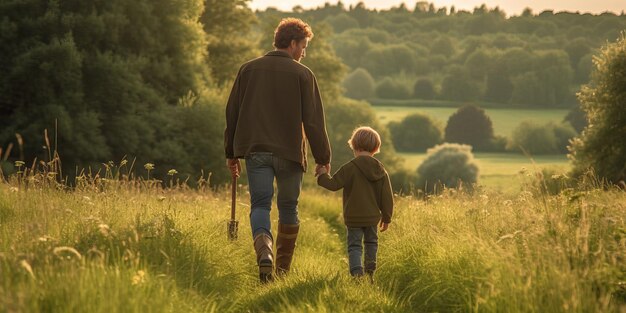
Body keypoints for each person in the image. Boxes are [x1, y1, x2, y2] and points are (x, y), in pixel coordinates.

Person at [224, 18, 331, 283]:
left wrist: (231, 153)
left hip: (256, 151)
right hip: (290, 154)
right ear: (292, 43)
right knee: (288, 207)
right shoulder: (303, 75)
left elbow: (232, 113)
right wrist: (323, 158)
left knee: (260, 204)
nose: (304, 53)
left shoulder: (247, 70)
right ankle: (282, 273)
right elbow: (314, 121)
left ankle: (265, 253)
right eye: (303, 46)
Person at [316, 126, 393, 281]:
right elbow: (387, 197)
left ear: (354, 146)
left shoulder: (350, 168)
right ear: (376, 148)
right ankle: (370, 273)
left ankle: (357, 273)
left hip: (353, 217)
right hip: (372, 218)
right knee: (371, 243)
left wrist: (323, 175)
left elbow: (333, 185)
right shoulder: (380, 170)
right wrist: (386, 217)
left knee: (355, 246)